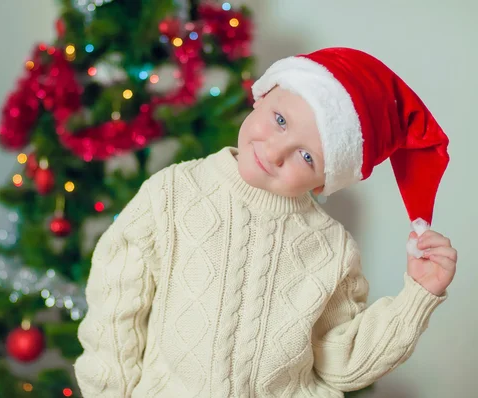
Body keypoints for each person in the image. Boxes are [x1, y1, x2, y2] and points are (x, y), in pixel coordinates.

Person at [73, 47, 457, 397]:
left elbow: (342, 365)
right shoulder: (172, 194)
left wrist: (417, 297)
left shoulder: (331, 248)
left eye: (307, 157)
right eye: (280, 120)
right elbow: (116, 304)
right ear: (264, 94)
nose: (275, 152)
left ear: (326, 182)